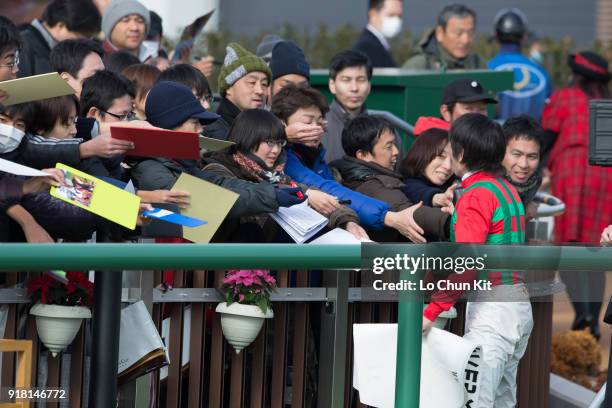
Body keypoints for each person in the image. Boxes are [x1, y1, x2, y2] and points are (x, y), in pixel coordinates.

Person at [422, 113, 532, 408]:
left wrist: (433, 310)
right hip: (518, 306)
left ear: (459, 154)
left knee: (474, 402)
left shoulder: (475, 195)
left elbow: (469, 263)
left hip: (493, 311)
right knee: (502, 401)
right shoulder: (506, 188)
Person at [272, 84, 431, 243]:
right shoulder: (281, 158)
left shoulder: (317, 158)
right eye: (307, 122)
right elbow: (326, 188)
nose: (316, 129)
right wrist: (387, 216)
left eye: (320, 122)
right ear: (282, 124)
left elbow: (333, 199)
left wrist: (348, 221)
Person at [130, 81, 304, 219]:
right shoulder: (150, 169)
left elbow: (220, 183)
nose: (201, 130)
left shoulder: (179, 163)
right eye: (195, 123)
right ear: (170, 126)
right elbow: (203, 202)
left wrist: (273, 191)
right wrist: (271, 197)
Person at [202, 109, 368, 241]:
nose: (276, 150)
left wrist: (348, 222)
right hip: (221, 270)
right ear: (248, 139)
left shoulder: (275, 174)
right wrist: (304, 197)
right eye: (269, 143)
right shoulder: (217, 169)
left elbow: (319, 198)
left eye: (279, 143)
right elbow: (249, 198)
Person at [541, 51, 612, 338]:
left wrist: (541, 167)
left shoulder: (564, 97)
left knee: (568, 245)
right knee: (595, 246)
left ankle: (580, 310)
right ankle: (593, 318)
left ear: (576, 75)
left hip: (570, 173)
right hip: (605, 176)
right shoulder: (607, 104)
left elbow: (547, 136)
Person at [332, 116, 450, 242]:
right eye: (389, 147)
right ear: (363, 155)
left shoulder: (350, 173)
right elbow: (409, 212)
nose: (396, 151)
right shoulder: (374, 185)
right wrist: (453, 223)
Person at [488, 8, 552, 120]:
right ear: (525, 36)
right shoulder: (541, 73)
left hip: (496, 136)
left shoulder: (487, 69)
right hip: (533, 136)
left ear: (496, 35)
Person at [206, 43, 272, 141]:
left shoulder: (269, 128)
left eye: (264, 84)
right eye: (252, 82)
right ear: (228, 88)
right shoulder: (214, 134)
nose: (260, 91)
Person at [18, 0, 101, 77]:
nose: (87, 41)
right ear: (60, 26)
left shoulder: (57, 47)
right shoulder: (22, 43)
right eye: (84, 35)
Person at [403, 4, 483, 70]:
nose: (465, 40)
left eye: (470, 33)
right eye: (458, 33)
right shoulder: (419, 66)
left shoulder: (477, 63)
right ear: (440, 33)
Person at [398, 124, 455, 208]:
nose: (448, 167)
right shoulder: (403, 184)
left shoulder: (457, 185)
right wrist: (437, 198)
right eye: (441, 156)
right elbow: (416, 191)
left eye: (453, 160)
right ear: (422, 153)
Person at [501, 115, 543, 219]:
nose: (523, 164)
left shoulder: (535, 180)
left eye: (532, 157)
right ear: (501, 152)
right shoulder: (486, 182)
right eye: (516, 154)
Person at [352, 0, 402, 68]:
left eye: (399, 16)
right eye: (391, 15)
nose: (396, 20)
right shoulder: (366, 47)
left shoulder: (379, 44)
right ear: (373, 15)